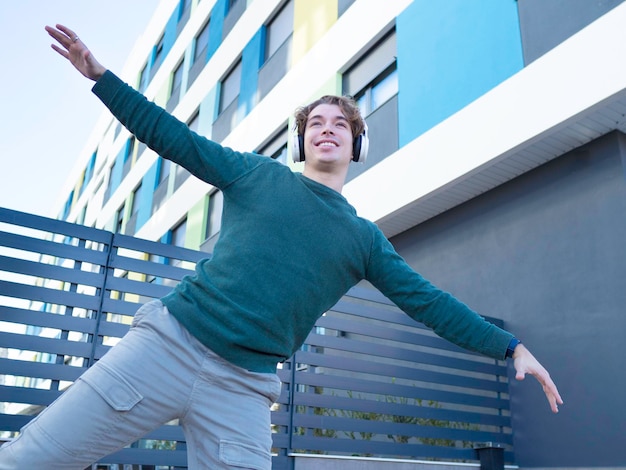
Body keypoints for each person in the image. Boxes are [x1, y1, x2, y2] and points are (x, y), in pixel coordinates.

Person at [0, 24, 563, 469]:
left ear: (355, 144)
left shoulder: (362, 239)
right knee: (31, 458)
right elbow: (173, 138)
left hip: (244, 390)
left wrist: (510, 348)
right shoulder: (257, 176)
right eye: (315, 122)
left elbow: (428, 302)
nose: (326, 128)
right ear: (302, 140)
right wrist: (101, 76)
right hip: (166, 347)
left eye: (340, 124)